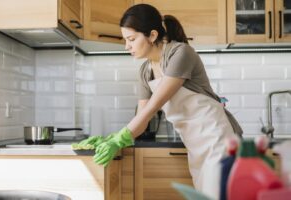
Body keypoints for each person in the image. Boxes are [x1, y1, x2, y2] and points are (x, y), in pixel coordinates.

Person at [73, 3, 243, 198]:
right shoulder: (145, 71)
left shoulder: (181, 53)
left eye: (131, 39)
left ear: (152, 35)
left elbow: (153, 106)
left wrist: (120, 138)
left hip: (218, 139)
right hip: (195, 145)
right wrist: (110, 138)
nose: (126, 46)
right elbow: (143, 120)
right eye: (125, 40)